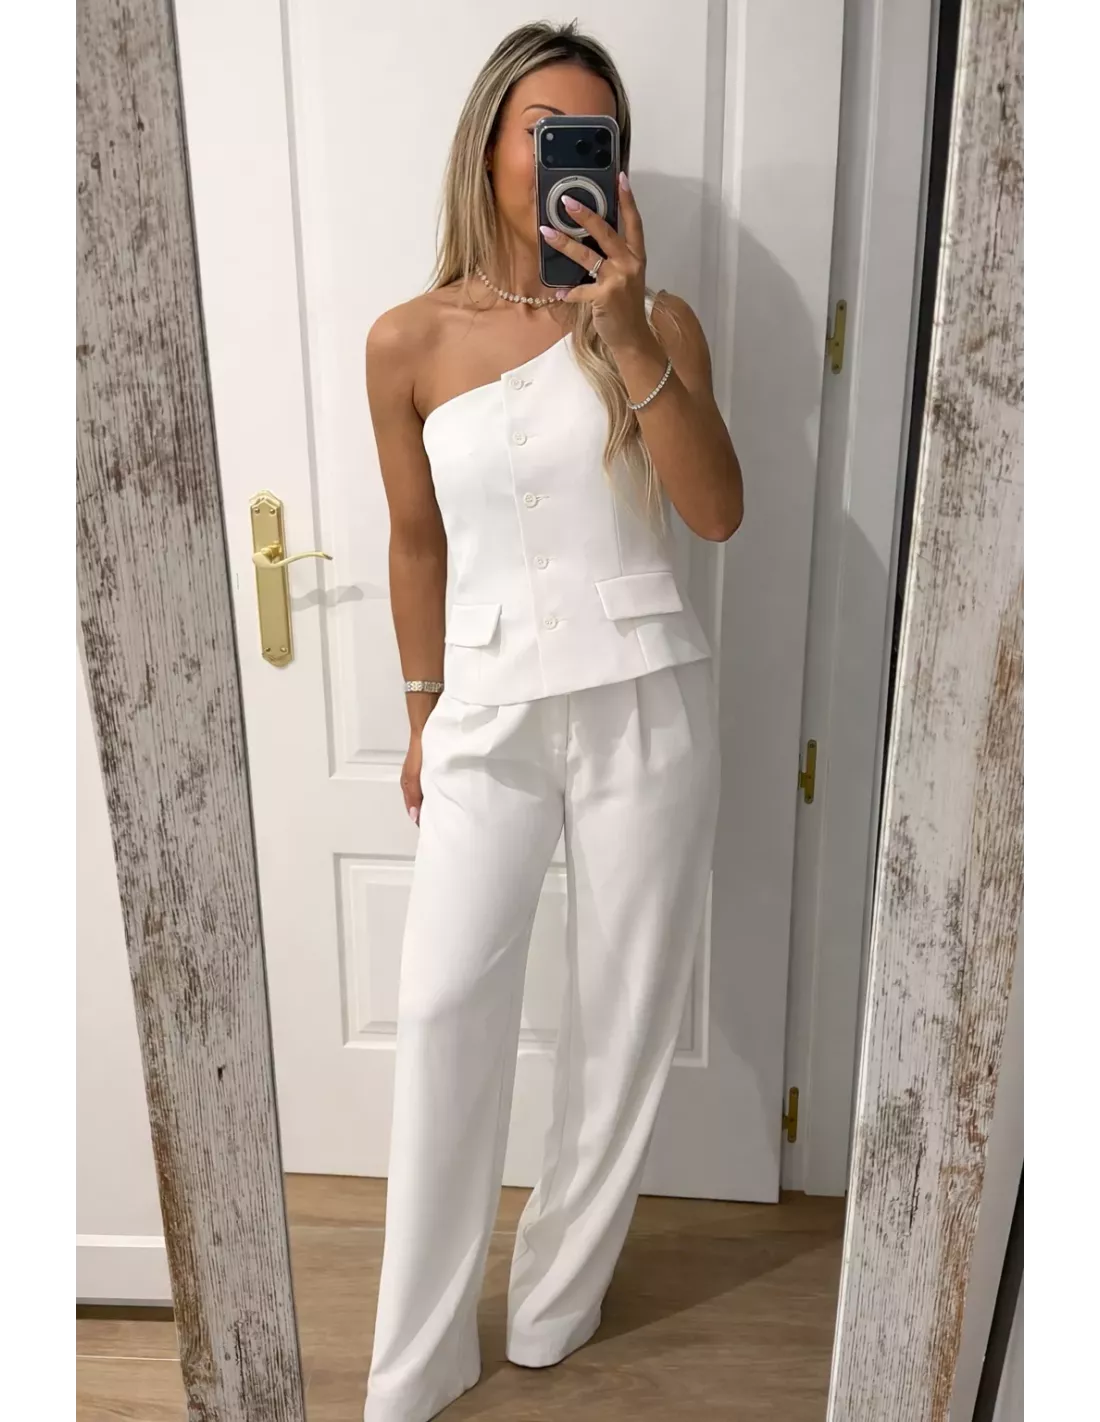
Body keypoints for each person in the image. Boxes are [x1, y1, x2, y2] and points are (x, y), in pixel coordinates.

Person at [363, 21, 742, 1422]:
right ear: (491, 145)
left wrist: (625, 331)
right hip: (485, 710)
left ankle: (553, 1307)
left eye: (597, 137)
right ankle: (414, 1359)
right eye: (547, 129)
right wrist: (420, 711)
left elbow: (716, 512)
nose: (574, 157)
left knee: (621, 1020)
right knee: (442, 1009)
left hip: (646, 699)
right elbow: (415, 541)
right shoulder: (407, 340)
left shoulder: (659, 319)